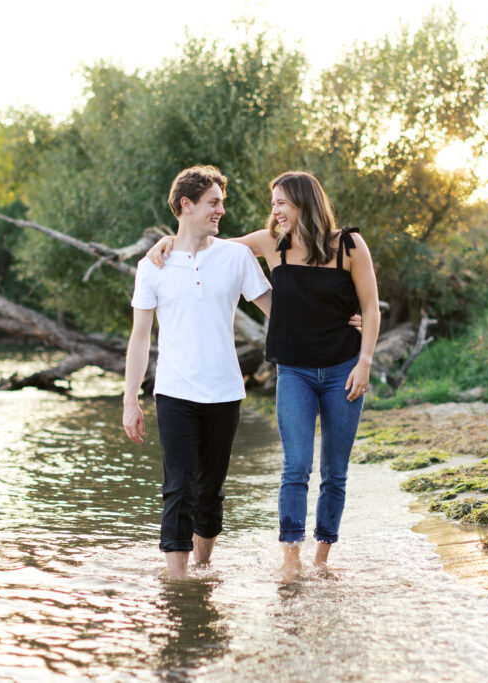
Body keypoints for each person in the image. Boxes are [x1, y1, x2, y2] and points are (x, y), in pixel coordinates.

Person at [147, 171, 380, 582]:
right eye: (272, 204)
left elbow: (372, 308)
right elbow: (206, 248)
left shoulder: (348, 245)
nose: (274, 211)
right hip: (294, 370)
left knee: (335, 471)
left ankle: (322, 558)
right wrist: (168, 242)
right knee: (295, 466)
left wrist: (365, 361)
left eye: (281, 203)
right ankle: (291, 560)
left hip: (344, 366)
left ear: (304, 202)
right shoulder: (271, 243)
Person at [123, 165, 272, 579]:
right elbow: (139, 338)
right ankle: (178, 586)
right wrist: (130, 399)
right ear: (186, 205)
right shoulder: (152, 266)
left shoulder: (235, 257)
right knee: (178, 488)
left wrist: (340, 319)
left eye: (221, 202)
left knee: (210, 494)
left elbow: (279, 311)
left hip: (225, 392)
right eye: (214, 202)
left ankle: (204, 570)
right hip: (174, 392)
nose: (221, 210)